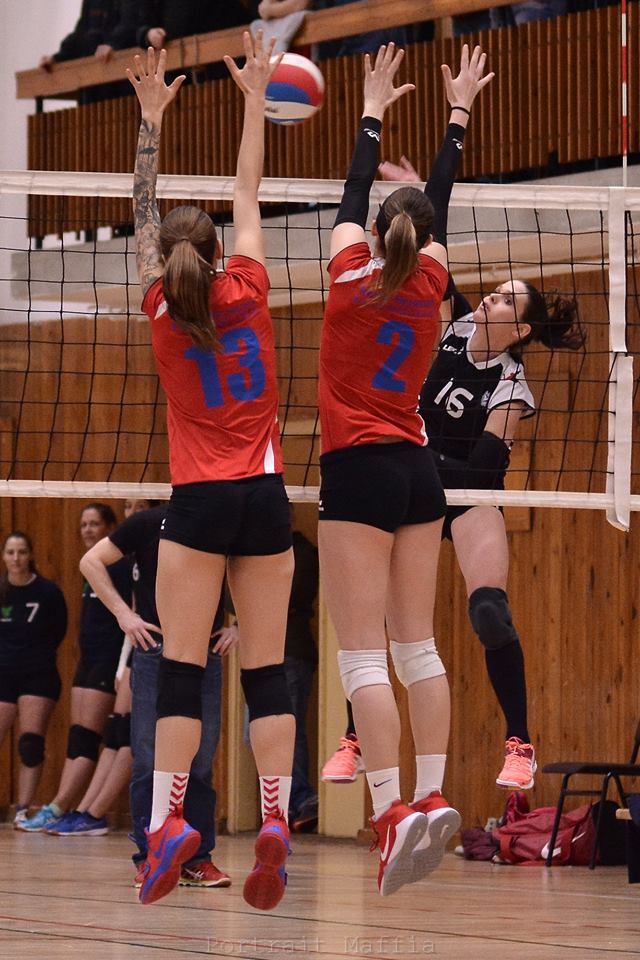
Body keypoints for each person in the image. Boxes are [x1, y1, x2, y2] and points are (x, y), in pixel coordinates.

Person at [380, 45, 584, 790]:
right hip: (421, 482)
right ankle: (354, 736)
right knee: (382, 616)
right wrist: (413, 194)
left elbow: (488, 469)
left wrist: (422, 459)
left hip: (465, 495)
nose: (491, 298)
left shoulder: (511, 383)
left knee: (489, 614)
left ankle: (518, 744)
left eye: (505, 300)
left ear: (520, 328)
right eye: (493, 291)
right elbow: (430, 246)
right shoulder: (458, 325)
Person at [126, 35, 295, 910]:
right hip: (265, 498)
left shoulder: (160, 307)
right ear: (222, 249)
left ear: (167, 259)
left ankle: (167, 827)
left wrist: (151, 122)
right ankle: (276, 820)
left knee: (183, 670)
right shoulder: (252, 289)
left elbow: (142, 209)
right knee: (268, 671)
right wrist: (253, 100)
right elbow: (247, 191)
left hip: (196, 502)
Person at [317, 42, 462, 898]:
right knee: (418, 648)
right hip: (419, 470)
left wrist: (371, 108)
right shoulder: (432, 278)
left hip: (360, 472)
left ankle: (390, 811)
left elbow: (352, 194)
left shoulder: (346, 280)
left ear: (373, 236)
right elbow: (430, 206)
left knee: (363, 660)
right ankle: (433, 792)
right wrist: (456, 118)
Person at [77, 503, 235, 887]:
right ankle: (151, 857)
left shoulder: (219, 519)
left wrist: (241, 624)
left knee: (200, 759)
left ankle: (197, 859)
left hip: (205, 652)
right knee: (148, 758)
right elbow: (90, 562)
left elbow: (254, 573)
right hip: (154, 651)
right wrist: (124, 615)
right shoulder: (147, 523)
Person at [20, 503, 132, 831]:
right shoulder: (91, 566)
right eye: (83, 524)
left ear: (110, 527)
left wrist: (121, 667)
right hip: (88, 658)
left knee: (89, 737)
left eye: (94, 523)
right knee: (77, 737)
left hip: (110, 659)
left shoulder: (121, 566)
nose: (87, 530)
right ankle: (63, 807)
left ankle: (61, 807)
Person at [0, 533, 67, 828]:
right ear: (4, 557)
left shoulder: (47, 592)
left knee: (30, 744)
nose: (16, 558)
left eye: (22, 552)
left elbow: (58, 630)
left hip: (37, 674)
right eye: (10, 552)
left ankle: (21, 810)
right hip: (3, 673)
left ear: (30, 555)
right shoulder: (1, 590)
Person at [284, 517, 319, 832]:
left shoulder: (303, 552)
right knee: (257, 733)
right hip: (263, 653)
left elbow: (290, 597)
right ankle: (285, 801)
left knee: (291, 728)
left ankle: (300, 798)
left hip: (293, 652)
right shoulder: (254, 548)